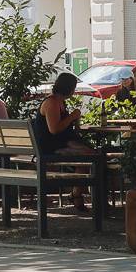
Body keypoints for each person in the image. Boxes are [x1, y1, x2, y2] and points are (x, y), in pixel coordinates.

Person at [34, 71, 92, 212]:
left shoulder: (60, 102)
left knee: (91, 155)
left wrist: (74, 120)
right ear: (69, 88)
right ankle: (76, 195)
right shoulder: (52, 102)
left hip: (60, 143)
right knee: (89, 156)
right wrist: (72, 116)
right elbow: (54, 129)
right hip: (51, 147)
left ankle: (76, 194)